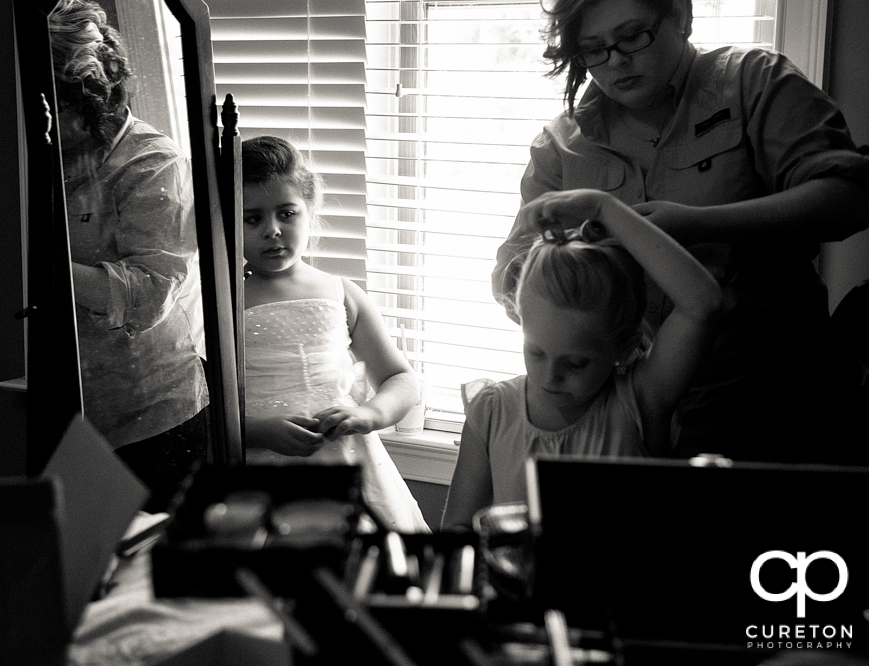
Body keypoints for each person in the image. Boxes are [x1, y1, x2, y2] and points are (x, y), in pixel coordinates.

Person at [491, 0, 869, 463]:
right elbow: (512, 278)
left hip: (777, 403)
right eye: (593, 50)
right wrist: (566, 268)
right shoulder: (561, 146)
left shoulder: (752, 82)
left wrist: (695, 224)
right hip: (632, 416)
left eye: (631, 37)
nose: (615, 61)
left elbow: (848, 197)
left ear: (681, 16)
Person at [442, 188, 722, 529]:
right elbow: (458, 529)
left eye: (575, 364)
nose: (550, 377)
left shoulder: (640, 401)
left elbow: (703, 304)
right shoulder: (491, 412)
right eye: (536, 352)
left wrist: (604, 208)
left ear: (623, 348)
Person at [49, 0, 208, 512]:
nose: (50, 116)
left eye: (62, 105)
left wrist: (39, 268)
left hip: (153, 415)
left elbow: (149, 294)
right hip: (70, 407)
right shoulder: (41, 150)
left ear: (94, 98)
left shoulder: (151, 162)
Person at [241, 135, 430, 533]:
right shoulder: (221, 300)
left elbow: (401, 378)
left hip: (348, 461)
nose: (272, 230)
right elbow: (202, 406)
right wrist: (256, 431)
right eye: (252, 218)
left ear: (310, 210)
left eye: (286, 214)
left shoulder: (341, 292)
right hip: (260, 470)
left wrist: (368, 414)